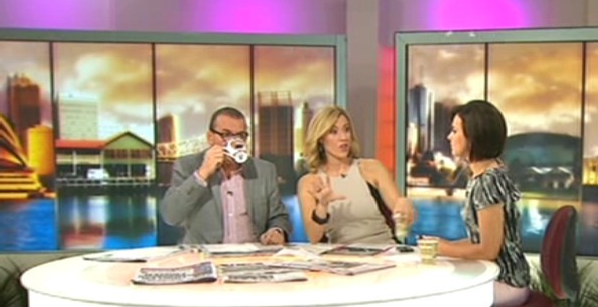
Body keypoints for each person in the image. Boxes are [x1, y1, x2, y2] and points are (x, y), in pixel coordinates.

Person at [425, 100, 532, 307]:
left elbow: (488, 249)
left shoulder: (487, 183)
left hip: (508, 282)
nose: (449, 136)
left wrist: (442, 248)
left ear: (473, 137)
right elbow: (481, 240)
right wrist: (444, 248)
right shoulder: (488, 175)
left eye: (455, 131)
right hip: (504, 277)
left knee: (432, 305)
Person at [160, 106, 292, 245]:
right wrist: (202, 174)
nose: (235, 141)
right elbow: (171, 216)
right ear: (210, 138)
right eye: (226, 134)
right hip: (205, 254)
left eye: (241, 135)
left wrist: (277, 231)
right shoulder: (187, 166)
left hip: (252, 254)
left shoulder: (264, 170)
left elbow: (279, 216)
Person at [297, 105, 415, 245]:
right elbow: (314, 237)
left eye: (347, 130)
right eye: (334, 132)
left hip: (384, 248)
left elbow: (400, 208)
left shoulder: (372, 168)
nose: (343, 137)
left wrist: (405, 209)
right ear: (321, 139)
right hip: (341, 254)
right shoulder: (309, 183)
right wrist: (322, 205)